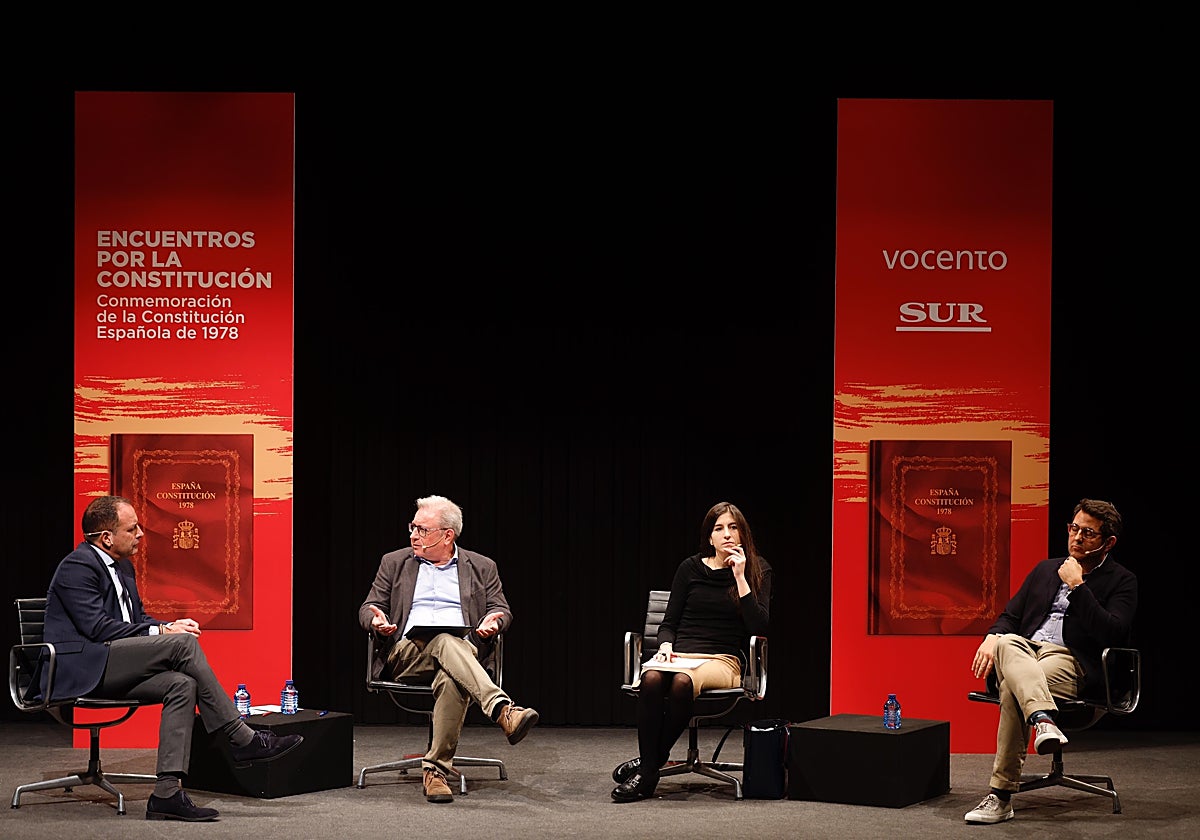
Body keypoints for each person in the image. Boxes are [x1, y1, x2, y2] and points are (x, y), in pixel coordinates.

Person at [41, 495, 304, 822]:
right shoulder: (77, 566)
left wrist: (165, 625)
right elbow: (97, 628)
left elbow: (135, 619)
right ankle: (241, 738)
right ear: (106, 537)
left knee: (181, 684)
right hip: (80, 668)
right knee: (182, 646)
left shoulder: (122, 566)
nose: (140, 534)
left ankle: (166, 793)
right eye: (132, 528)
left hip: (109, 663)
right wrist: (165, 633)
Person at [964, 497, 1137, 825]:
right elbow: (1009, 617)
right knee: (1007, 643)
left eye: (1088, 533)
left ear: (1108, 542)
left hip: (1071, 663)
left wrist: (1078, 585)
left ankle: (1000, 797)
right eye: (1074, 528)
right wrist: (991, 637)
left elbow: (1112, 633)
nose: (1076, 538)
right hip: (1025, 651)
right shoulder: (1045, 569)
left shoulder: (1122, 580)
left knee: (1014, 687)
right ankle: (1043, 719)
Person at [357, 494, 539, 804]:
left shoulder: (481, 566)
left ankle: (436, 772)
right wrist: (376, 620)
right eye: (412, 527)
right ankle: (501, 710)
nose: (413, 535)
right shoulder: (394, 562)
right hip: (406, 653)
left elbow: (501, 609)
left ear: (447, 535)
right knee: (444, 641)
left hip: (461, 656)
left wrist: (495, 622)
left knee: (451, 672)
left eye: (422, 530)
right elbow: (369, 606)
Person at [611, 501, 772, 802]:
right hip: (682, 654)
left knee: (683, 682)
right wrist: (666, 646)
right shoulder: (690, 568)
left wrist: (740, 576)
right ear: (709, 537)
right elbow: (668, 622)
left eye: (733, 528)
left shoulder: (757, 568)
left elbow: (757, 626)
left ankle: (647, 772)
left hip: (722, 660)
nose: (726, 534)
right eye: (719, 528)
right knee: (652, 679)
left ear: (742, 534)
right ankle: (652, 763)